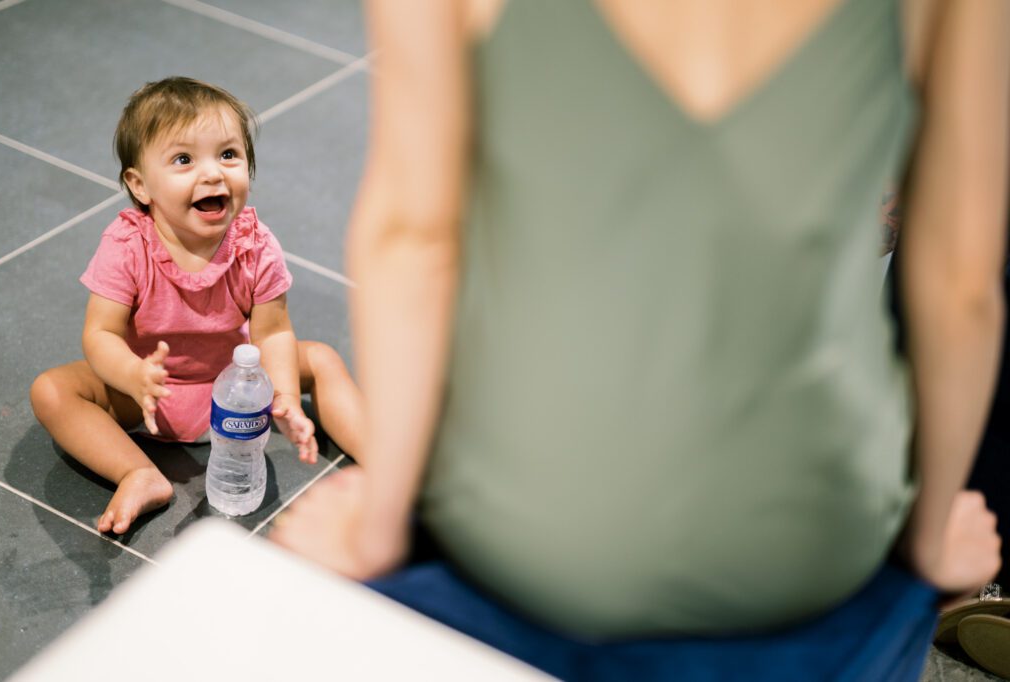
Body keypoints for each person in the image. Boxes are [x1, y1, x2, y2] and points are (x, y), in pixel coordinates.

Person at [272, 0, 1008, 678]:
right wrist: (930, 533)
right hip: (815, 539)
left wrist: (382, 522)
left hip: (526, 522)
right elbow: (961, 282)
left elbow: (414, 240)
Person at [30, 77, 363, 535]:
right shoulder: (127, 245)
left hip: (237, 391)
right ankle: (139, 473)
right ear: (140, 185)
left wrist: (283, 395)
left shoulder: (256, 245)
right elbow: (101, 333)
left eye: (228, 155)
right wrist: (133, 375)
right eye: (184, 160)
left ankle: (383, 460)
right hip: (154, 395)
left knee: (320, 359)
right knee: (52, 390)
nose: (212, 174)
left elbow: (272, 333)